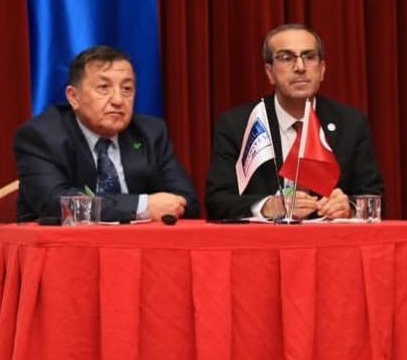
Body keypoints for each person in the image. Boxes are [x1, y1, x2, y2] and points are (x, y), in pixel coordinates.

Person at [206, 24, 384, 220]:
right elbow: (217, 201)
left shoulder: (351, 123)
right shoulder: (238, 125)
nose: (300, 67)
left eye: (309, 57)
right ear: (269, 72)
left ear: (322, 70)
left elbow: (374, 197)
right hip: (266, 238)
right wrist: (266, 206)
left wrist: (349, 208)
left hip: (331, 238)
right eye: (286, 58)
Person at [14, 45, 199, 222]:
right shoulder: (41, 136)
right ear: (73, 97)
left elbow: (186, 201)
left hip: (141, 242)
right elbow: (56, 203)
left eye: (127, 89)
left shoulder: (151, 133)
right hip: (66, 242)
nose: (118, 100)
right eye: (103, 87)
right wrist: (141, 206)